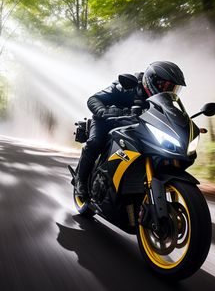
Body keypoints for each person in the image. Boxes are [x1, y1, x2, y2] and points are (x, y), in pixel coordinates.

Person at [75, 61, 186, 199]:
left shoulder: (162, 101)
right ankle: (81, 181)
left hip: (136, 125)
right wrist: (104, 111)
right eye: (165, 85)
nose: (167, 91)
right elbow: (94, 99)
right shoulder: (125, 87)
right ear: (152, 80)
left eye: (172, 88)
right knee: (95, 142)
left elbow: (168, 116)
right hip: (107, 120)